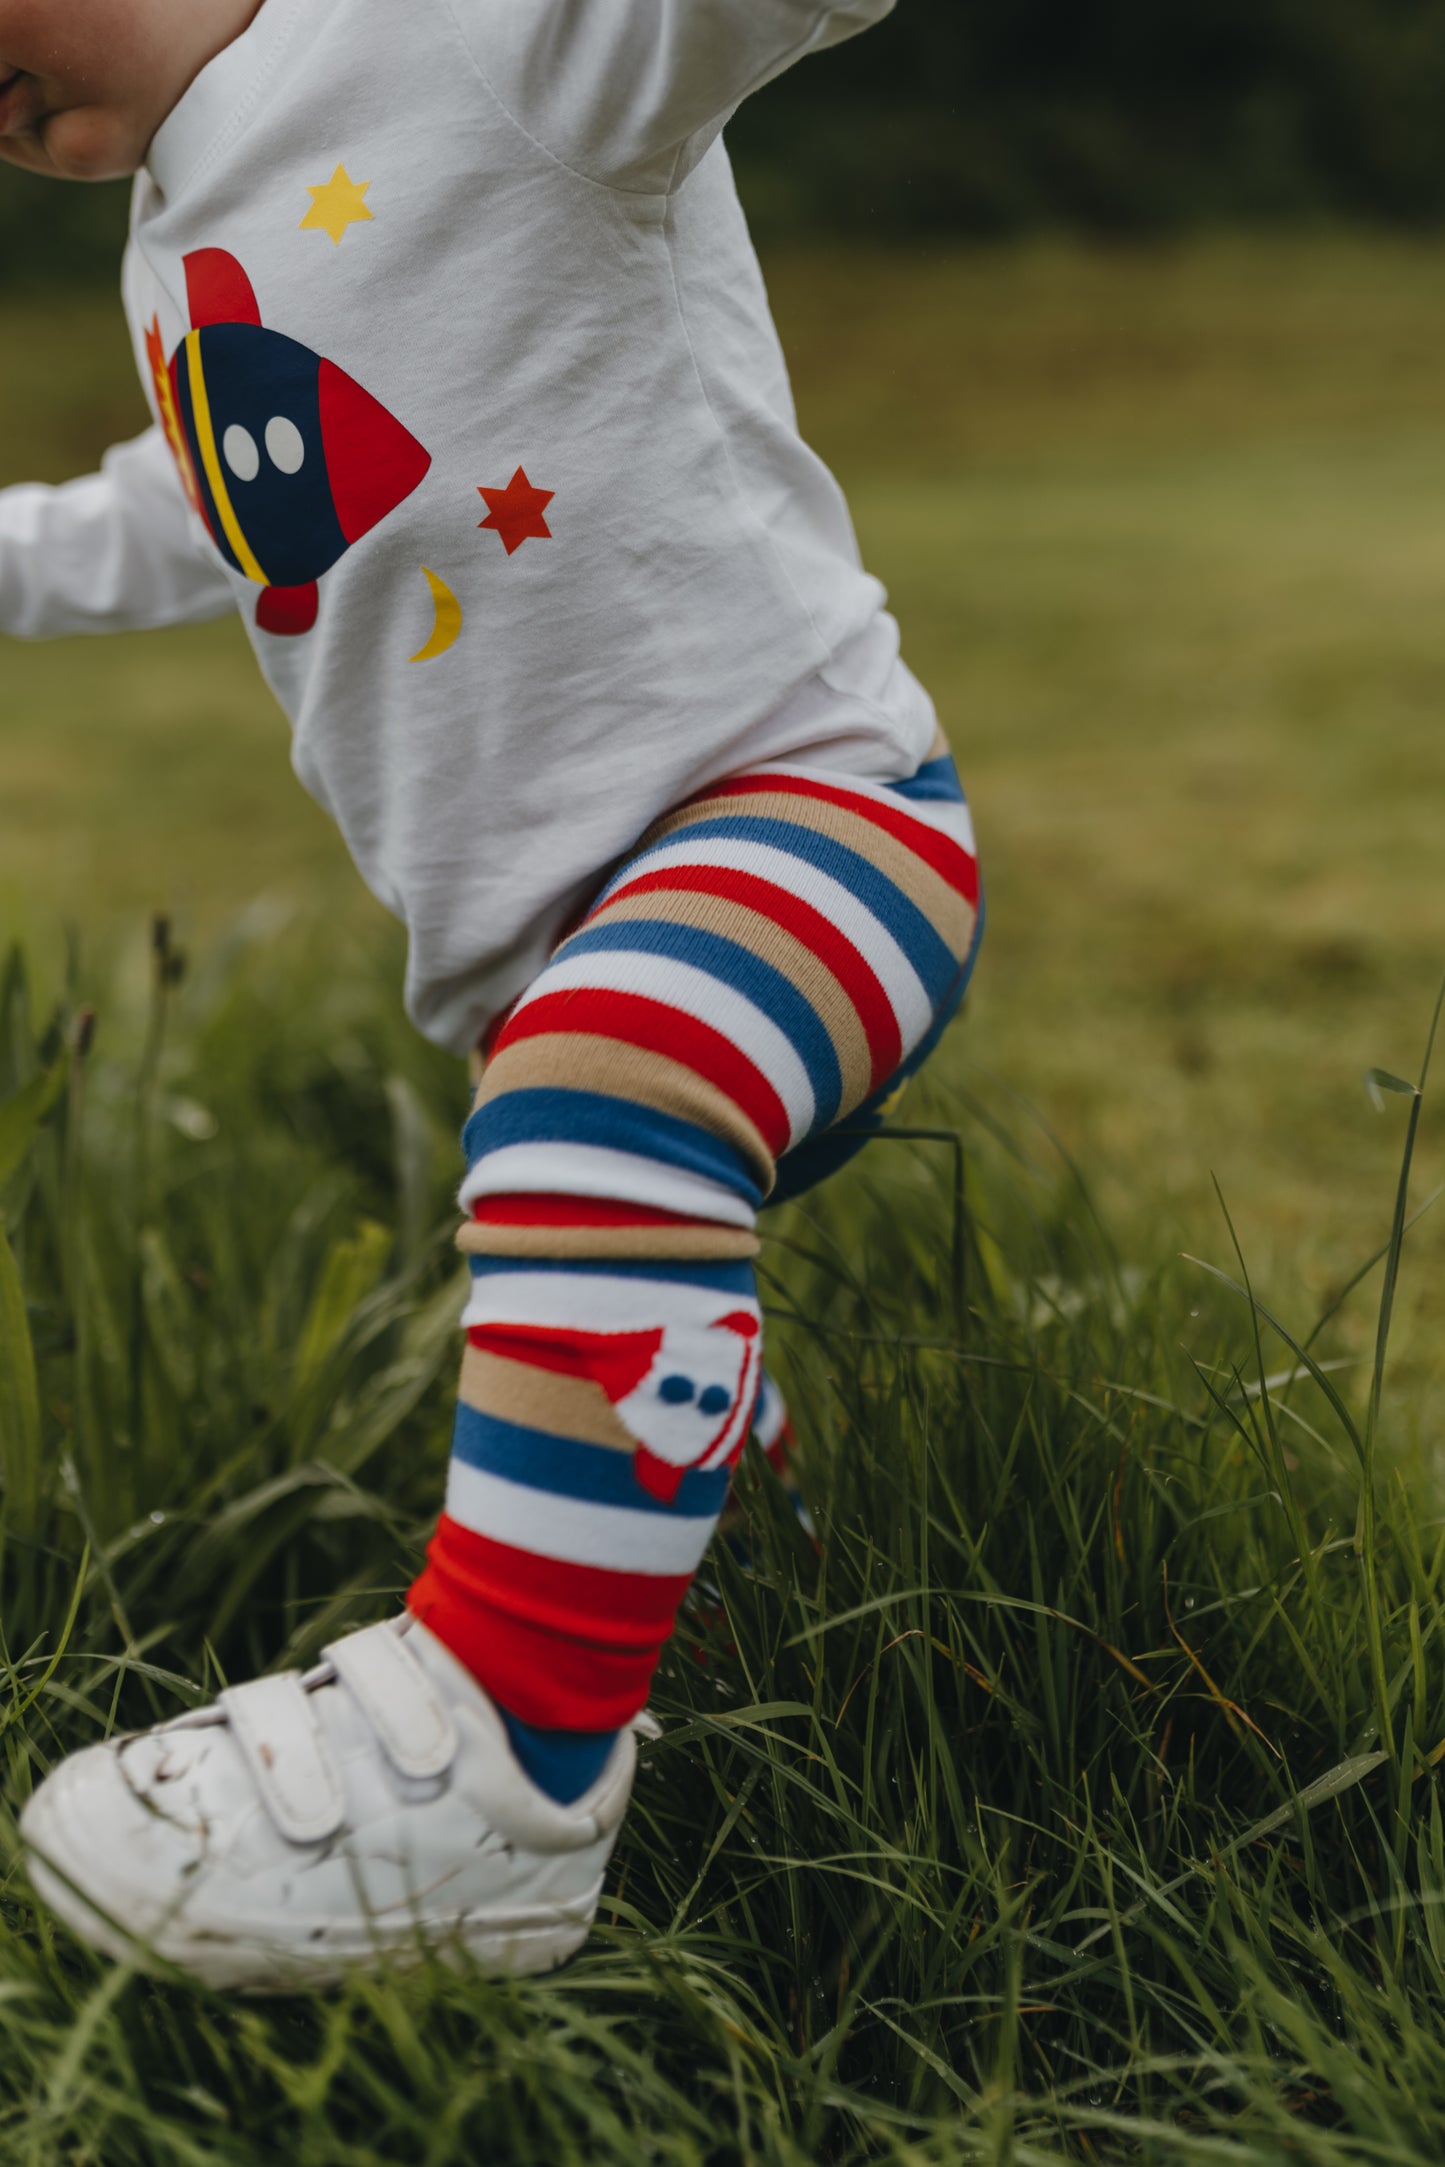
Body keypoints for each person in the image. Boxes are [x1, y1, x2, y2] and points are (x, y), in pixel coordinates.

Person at [0, 0, 982, 1992]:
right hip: (555, 958)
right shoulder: (182, 230)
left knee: (596, 1102)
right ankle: (749, 1565)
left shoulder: (466, 39)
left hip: (804, 827)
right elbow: (208, 504)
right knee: (583, 1194)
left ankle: (505, 1771)